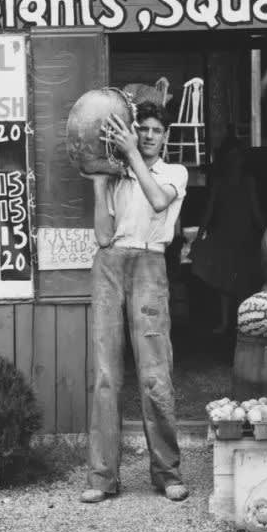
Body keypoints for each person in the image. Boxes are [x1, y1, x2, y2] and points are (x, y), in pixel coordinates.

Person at [81, 101, 190, 505]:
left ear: (166, 136)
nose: (146, 136)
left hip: (149, 261)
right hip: (110, 263)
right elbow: (103, 237)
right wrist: (98, 183)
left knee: (155, 374)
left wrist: (127, 155)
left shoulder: (174, 173)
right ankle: (101, 477)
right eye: (140, 128)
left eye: (154, 130)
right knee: (107, 375)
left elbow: (159, 202)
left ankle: (167, 473)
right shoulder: (117, 174)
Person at [191, 134, 264, 334]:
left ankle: (242, 321)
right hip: (224, 235)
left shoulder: (248, 181)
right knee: (224, 281)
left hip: (245, 235)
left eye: (238, 158)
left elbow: (255, 210)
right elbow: (209, 210)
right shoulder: (219, 182)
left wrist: (266, 231)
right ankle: (225, 322)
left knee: (243, 281)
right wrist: (200, 235)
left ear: (242, 160)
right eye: (231, 158)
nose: (234, 162)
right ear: (226, 161)